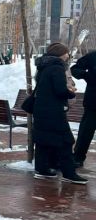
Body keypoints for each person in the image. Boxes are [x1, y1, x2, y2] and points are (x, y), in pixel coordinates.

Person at [32, 43, 87, 184]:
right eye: (66, 53)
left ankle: (42, 169)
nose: (68, 55)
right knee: (66, 141)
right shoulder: (57, 68)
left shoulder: (43, 67)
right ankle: (69, 173)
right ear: (60, 54)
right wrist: (70, 93)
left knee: (43, 140)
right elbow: (60, 90)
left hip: (41, 110)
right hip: (53, 111)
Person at [70, 50, 96, 168]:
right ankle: (78, 157)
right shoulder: (92, 56)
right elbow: (75, 69)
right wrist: (87, 76)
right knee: (86, 132)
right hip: (93, 103)